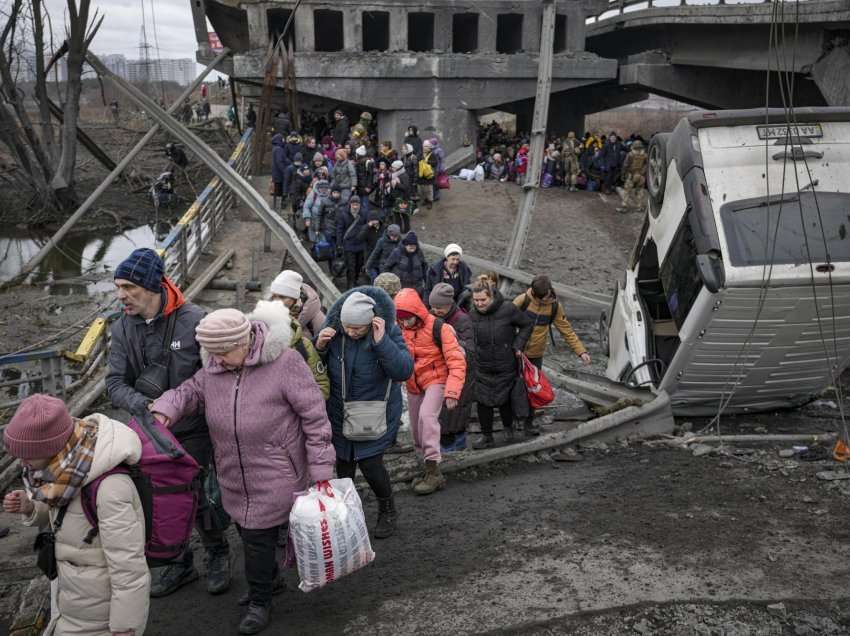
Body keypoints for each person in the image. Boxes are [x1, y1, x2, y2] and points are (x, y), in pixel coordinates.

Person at [151, 309, 334, 635]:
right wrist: (165, 409)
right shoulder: (214, 367)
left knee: (257, 538)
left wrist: (321, 468)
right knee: (250, 532)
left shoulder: (285, 363)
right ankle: (271, 579)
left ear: (245, 341)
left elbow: (315, 418)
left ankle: (261, 601)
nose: (218, 359)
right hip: (234, 473)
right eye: (213, 353)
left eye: (223, 352)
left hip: (276, 471)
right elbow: (190, 392)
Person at [106, 248, 230, 598]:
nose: (121, 295)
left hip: (195, 428)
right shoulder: (122, 328)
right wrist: (143, 405)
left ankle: (218, 552)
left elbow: (215, 377)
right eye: (118, 287)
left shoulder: (195, 321)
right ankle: (180, 562)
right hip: (150, 430)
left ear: (152, 285)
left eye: (128, 287)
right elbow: (115, 383)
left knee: (200, 493)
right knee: (159, 499)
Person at [3, 395, 150, 636]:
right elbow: (68, 515)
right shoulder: (67, 471)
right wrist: (31, 508)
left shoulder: (110, 489)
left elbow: (129, 567)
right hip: (71, 601)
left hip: (98, 617)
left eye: (27, 454)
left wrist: (125, 627)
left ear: (49, 447)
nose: (21, 462)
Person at [315, 289, 414, 538]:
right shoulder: (336, 332)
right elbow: (318, 368)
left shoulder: (387, 332)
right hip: (339, 412)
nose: (351, 332)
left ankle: (387, 507)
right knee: (344, 466)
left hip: (373, 413)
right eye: (347, 326)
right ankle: (348, 515)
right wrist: (321, 347)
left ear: (370, 322)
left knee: (371, 464)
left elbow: (403, 370)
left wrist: (382, 344)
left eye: (357, 328)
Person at [395, 288, 466, 494]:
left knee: (427, 418)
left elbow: (456, 360)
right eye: (401, 319)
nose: (405, 323)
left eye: (408, 318)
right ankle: (423, 465)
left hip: (437, 379)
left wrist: (452, 392)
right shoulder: (399, 329)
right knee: (416, 428)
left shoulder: (439, 327)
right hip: (413, 382)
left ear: (417, 312)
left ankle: (434, 471)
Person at [514, 275, 590, 436]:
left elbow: (566, 329)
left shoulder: (555, 306)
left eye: (548, 296)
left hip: (535, 354)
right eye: (542, 299)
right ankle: (514, 420)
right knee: (514, 387)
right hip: (515, 352)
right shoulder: (523, 300)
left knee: (534, 389)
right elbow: (505, 319)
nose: (546, 300)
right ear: (534, 295)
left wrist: (581, 351)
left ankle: (529, 423)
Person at [469, 276, 533, 449]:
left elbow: (527, 325)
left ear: (491, 296)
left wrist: (517, 345)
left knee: (505, 399)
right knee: (483, 402)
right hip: (483, 365)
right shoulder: (472, 313)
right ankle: (487, 436)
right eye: (476, 300)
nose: (479, 304)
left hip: (506, 363)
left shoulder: (508, 309)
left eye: (483, 300)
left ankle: (508, 429)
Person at [429, 282, 476, 452]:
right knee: (442, 415)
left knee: (455, 414)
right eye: (433, 307)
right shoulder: (433, 317)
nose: (435, 310)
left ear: (448, 305)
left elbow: (470, 352)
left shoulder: (462, 320)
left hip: (461, 375)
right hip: (439, 373)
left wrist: (450, 337)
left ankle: (456, 450)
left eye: (439, 308)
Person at [268, 270, 326, 339]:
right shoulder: (267, 312)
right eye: (274, 296)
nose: (276, 301)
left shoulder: (318, 320)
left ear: (295, 298)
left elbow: (324, 348)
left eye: (282, 297)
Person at [336, 196, 369, 290]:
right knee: (351, 266)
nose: (355, 207)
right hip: (349, 244)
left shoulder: (364, 214)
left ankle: (355, 280)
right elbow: (340, 229)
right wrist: (339, 244)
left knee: (359, 264)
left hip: (360, 244)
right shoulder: (343, 214)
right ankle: (350, 283)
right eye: (353, 204)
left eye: (357, 204)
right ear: (350, 204)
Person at [383, 231, 428, 296]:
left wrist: (427, 283)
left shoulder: (419, 253)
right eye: (410, 245)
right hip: (401, 288)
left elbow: (424, 268)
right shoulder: (397, 252)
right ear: (405, 245)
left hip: (417, 288)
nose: (412, 247)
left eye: (414, 245)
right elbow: (387, 267)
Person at [618, 140, 648, 214]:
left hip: (631, 175)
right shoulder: (645, 155)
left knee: (627, 191)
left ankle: (624, 206)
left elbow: (625, 165)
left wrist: (623, 174)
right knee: (640, 191)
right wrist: (642, 173)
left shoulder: (630, 154)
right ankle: (639, 206)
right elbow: (647, 165)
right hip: (641, 176)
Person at [417, 140, 438, 209]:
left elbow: (435, 163)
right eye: (424, 146)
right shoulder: (420, 154)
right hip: (421, 174)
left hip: (429, 175)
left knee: (429, 190)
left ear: (429, 147)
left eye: (427, 146)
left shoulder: (432, 155)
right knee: (422, 190)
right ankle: (425, 200)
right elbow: (417, 161)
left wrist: (427, 161)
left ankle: (430, 202)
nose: (425, 148)